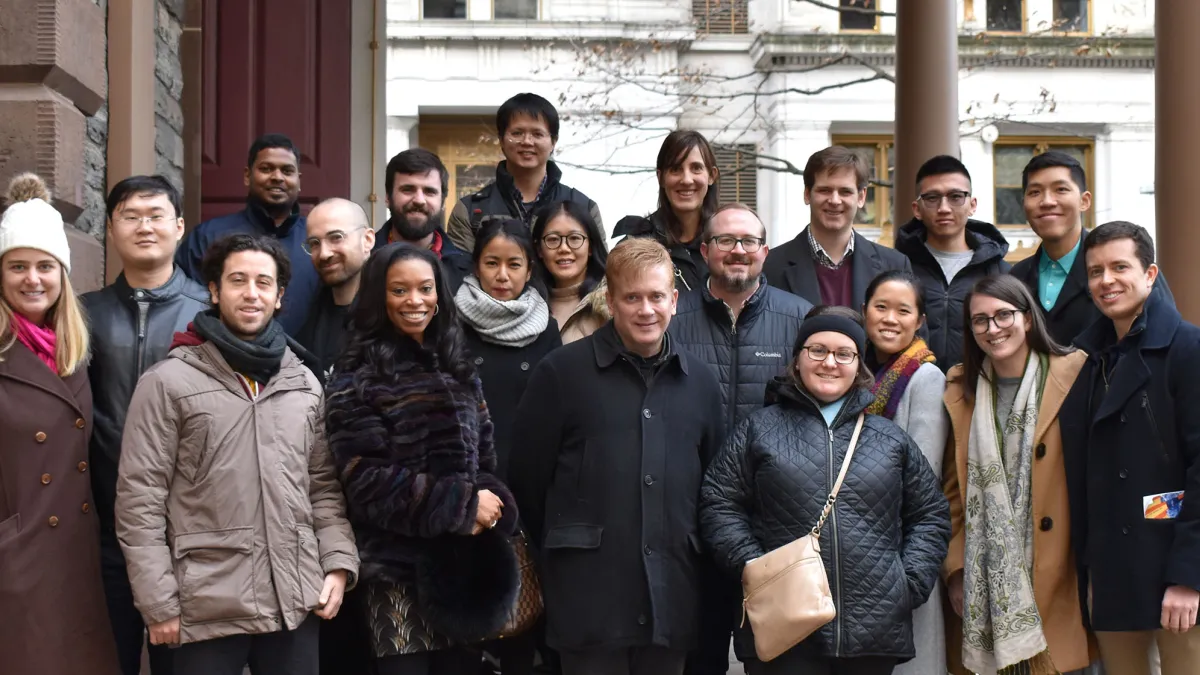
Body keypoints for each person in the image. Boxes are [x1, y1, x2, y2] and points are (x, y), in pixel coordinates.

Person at [116, 234, 359, 675]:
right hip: (204, 608)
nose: (251, 293)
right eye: (238, 280)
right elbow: (140, 501)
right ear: (214, 291)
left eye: (264, 282)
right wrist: (157, 601)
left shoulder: (303, 383)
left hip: (294, 598)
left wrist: (337, 564)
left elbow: (323, 487)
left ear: (280, 296)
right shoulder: (169, 382)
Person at [509, 237, 725, 675]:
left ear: (675, 300)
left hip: (671, 598)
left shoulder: (700, 382)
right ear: (610, 301)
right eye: (632, 298)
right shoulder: (561, 373)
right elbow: (527, 483)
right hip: (588, 600)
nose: (646, 310)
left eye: (656, 297)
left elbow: (714, 485)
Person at [700, 305, 950, 675]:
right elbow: (718, 503)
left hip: (872, 633)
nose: (830, 362)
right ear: (797, 359)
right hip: (785, 625)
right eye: (817, 350)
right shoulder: (759, 430)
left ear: (858, 365)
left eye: (843, 353)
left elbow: (930, 514)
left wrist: (906, 582)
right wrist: (753, 566)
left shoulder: (888, 438)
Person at [325, 242, 519, 675]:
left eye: (425, 289)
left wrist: (495, 506)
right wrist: (463, 505)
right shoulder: (357, 378)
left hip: (464, 575)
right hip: (397, 575)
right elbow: (363, 481)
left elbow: (484, 462)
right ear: (379, 297)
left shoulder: (458, 368)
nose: (415, 301)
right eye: (399, 290)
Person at [667, 202, 812, 675]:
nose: (737, 250)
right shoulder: (671, 318)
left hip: (775, 522)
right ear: (705, 250)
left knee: (773, 658)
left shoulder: (800, 320)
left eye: (748, 241)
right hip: (689, 518)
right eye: (726, 240)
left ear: (764, 251)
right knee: (697, 656)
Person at [1061, 222, 1200, 675]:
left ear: (1151, 273)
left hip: (1173, 565)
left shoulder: (1187, 348)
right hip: (1109, 567)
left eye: (1120, 267)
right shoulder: (1082, 359)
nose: (1107, 281)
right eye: (1096, 271)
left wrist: (1188, 577)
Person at [84, 175, 209, 675]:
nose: (144, 227)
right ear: (111, 229)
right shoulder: (81, 314)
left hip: (189, 535)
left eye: (156, 215)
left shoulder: (208, 311)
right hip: (103, 530)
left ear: (179, 227)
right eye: (130, 216)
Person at [941, 274, 1094, 675]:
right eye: (980, 320)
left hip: (1062, 568)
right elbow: (952, 491)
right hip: (983, 581)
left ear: (1027, 318)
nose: (993, 329)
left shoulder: (1076, 374)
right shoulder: (959, 387)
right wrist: (956, 569)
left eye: (1004, 315)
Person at [0, 173, 120, 675]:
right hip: (16, 560)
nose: (33, 279)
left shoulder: (72, 351)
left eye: (46, 266)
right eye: (18, 266)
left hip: (76, 558)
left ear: (63, 275)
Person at [454, 218, 563, 675]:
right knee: (467, 622)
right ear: (475, 265)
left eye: (513, 264)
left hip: (531, 492)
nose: (502, 275)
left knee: (525, 621)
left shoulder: (546, 329)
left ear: (529, 267)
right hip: (469, 490)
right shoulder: (451, 323)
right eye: (491, 263)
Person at [859, 270, 948, 675]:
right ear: (864, 312)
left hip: (900, 537)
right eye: (881, 307)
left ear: (920, 320)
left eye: (903, 310)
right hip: (862, 535)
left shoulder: (925, 377)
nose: (890, 319)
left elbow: (922, 474)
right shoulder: (861, 370)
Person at [1009, 151, 1172, 347]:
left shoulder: (1129, 268)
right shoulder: (1016, 278)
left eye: (1060, 189)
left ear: (1084, 201)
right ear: (1024, 204)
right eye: (1035, 192)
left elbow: (1166, 342)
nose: (1047, 201)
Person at [175, 133, 319, 334]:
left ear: (298, 180)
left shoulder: (318, 241)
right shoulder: (207, 237)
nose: (277, 177)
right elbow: (185, 306)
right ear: (247, 175)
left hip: (307, 362)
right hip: (223, 360)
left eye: (287, 170)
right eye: (266, 168)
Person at [894, 155, 1009, 371]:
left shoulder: (999, 272)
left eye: (956, 196)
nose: (944, 207)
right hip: (908, 390)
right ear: (916, 209)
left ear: (972, 205)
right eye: (932, 198)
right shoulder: (897, 267)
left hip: (980, 391)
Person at [447, 93, 603, 252]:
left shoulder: (584, 207)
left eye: (537, 134)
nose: (527, 141)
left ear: (553, 142)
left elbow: (600, 271)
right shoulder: (470, 211)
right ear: (501, 140)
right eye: (517, 133)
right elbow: (460, 273)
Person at [764, 146, 912, 309]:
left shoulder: (894, 265)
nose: (835, 200)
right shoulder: (770, 266)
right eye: (825, 190)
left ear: (861, 197)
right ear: (807, 194)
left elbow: (912, 331)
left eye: (845, 192)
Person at [613, 130, 719, 294]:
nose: (686, 179)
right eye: (676, 169)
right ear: (660, 177)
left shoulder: (729, 243)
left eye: (696, 168)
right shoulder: (635, 246)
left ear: (711, 176)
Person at [295, 197, 375, 384]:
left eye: (336, 238)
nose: (324, 253)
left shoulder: (393, 315)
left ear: (368, 240)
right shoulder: (309, 322)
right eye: (314, 243)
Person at [376, 148, 472, 292]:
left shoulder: (469, 271)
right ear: (388, 198)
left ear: (443, 202)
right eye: (408, 189)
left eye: (429, 191)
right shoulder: (360, 262)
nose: (419, 200)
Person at [531, 199, 609, 343]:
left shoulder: (611, 302)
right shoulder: (526, 303)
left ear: (590, 247)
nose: (564, 248)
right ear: (539, 250)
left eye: (574, 238)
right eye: (553, 239)